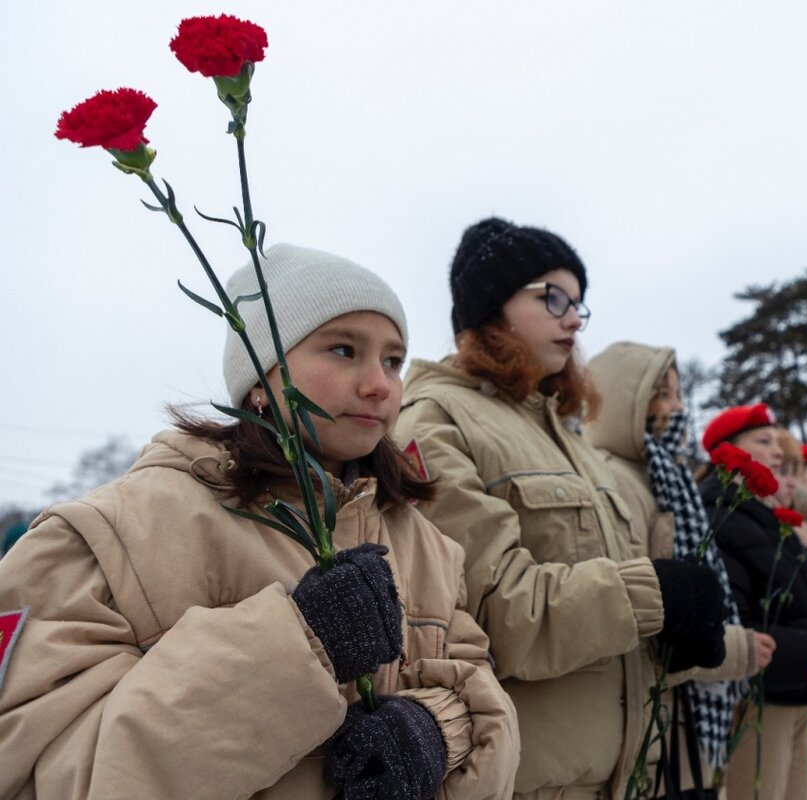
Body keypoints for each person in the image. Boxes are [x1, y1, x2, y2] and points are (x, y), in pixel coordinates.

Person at [0, 244, 520, 799]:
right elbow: (41, 768)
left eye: (393, 360)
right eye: (344, 350)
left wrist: (435, 732)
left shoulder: (431, 549)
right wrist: (300, 645)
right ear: (258, 380)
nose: (380, 385)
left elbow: (483, 695)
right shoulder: (109, 535)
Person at [392, 218, 727, 799]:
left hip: (624, 777)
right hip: (532, 783)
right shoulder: (436, 421)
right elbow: (493, 614)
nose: (574, 317)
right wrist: (657, 595)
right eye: (553, 298)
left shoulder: (573, 442)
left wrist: (676, 634)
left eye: (579, 304)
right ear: (491, 306)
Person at [584, 341, 775, 792]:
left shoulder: (669, 477)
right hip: (655, 724)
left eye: (679, 393)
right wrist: (736, 648)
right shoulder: (618, 480)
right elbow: (652, 618)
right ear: (627, 401)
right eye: (663, 394)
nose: (680, 407)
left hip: (682, 714)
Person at [699, 404, 807, 800]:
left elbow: (803, 606)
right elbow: (734, 626)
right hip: (759, 702)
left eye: (778, 442)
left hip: (794, 692)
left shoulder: (764, 518)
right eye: (764, 442)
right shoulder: (721, 517)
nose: (778, 453)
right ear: (725, 450)